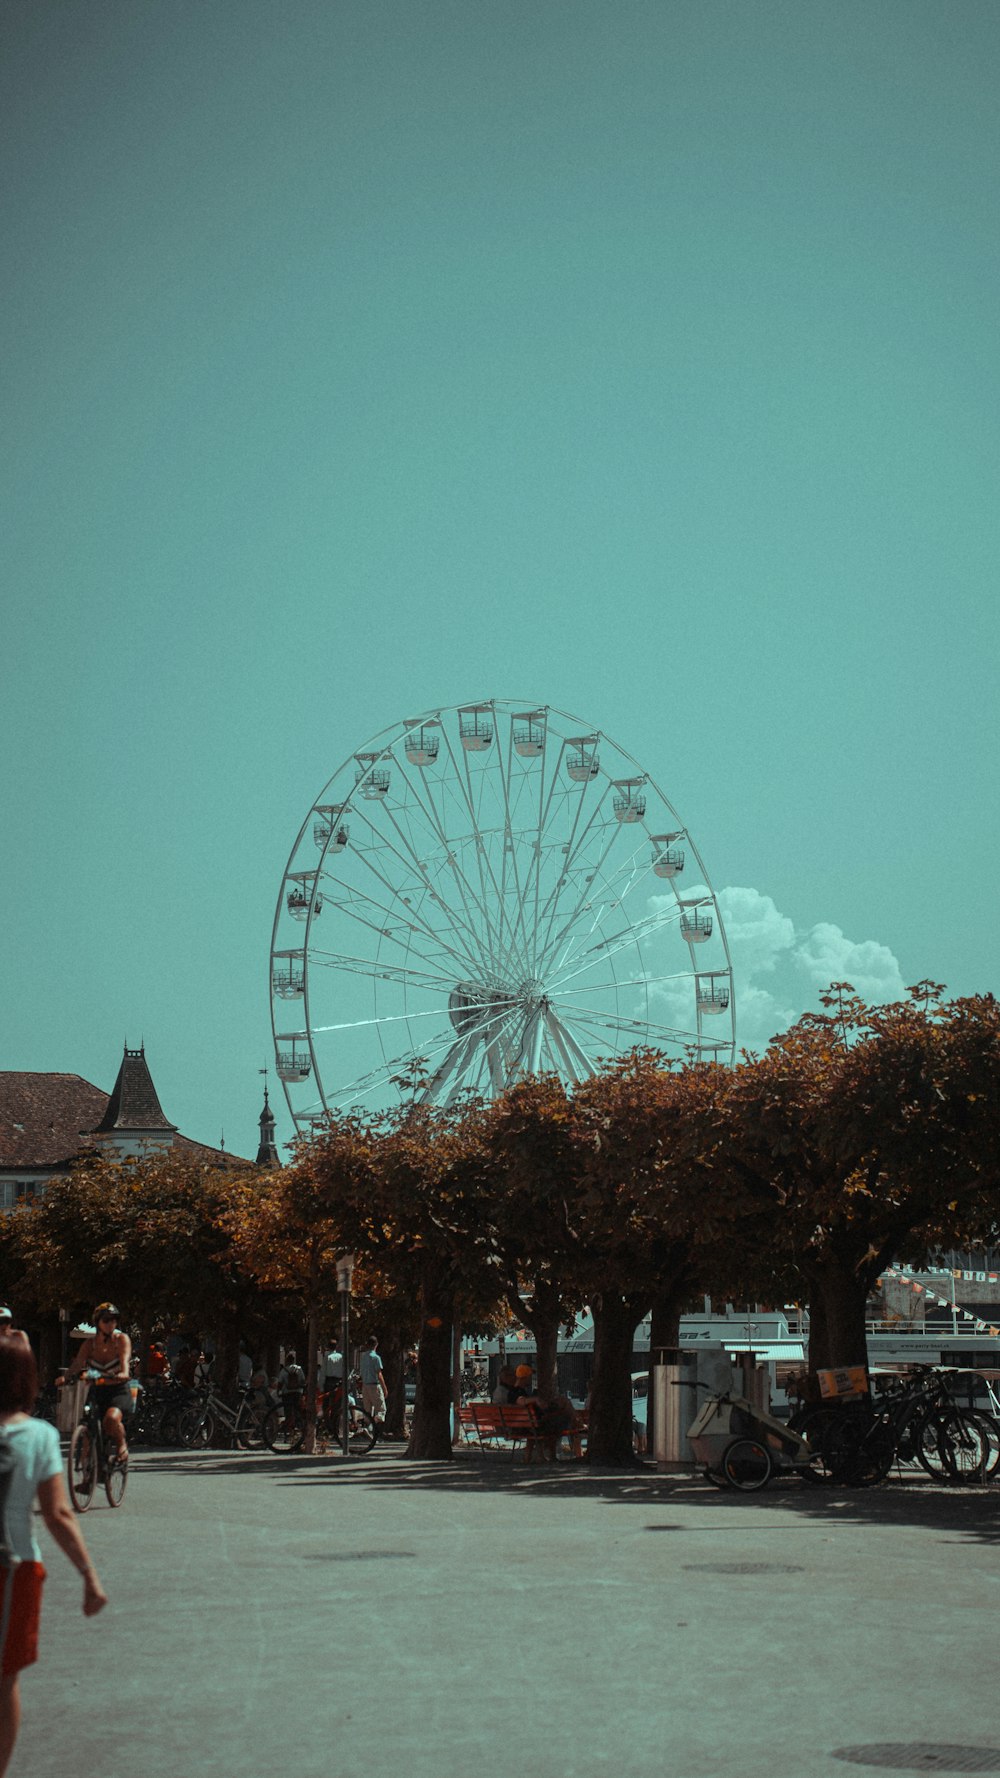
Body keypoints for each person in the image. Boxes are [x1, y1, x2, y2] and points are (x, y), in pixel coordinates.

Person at [0, 1339, 107, 1776]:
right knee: (4, 1681)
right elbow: (58, 1513)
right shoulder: (39, 1436)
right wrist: (89, 1575)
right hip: (14, 1567)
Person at [56, 1303, 131, 1465]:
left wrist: (123, 1373)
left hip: (118, 1390)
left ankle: (121, 1444)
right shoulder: (89, 1344)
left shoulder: (121, 1340)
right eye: (106, 1320)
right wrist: (66, 1377)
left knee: (111, 1419)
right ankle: (86, 1474)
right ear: (98, 1322)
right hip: (98, 1390)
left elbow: (125, 1360)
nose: (111, 1323)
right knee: (88, 1428)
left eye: (114, 1320)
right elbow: (78, 1364)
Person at [358, 1337, 387, 1437]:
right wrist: (384, 1388)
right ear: (376, 1345)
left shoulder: (364, 1357)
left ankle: (367, 1428)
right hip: (374, 1385)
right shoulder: (376, 1358)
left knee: (367, 1410)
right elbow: (379, 1374)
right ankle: (371, 1424)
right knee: (381, 1410)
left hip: (365, 1385)